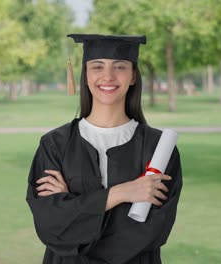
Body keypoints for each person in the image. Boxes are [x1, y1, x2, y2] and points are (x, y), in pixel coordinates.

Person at [26, 34, 183, 264]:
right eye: (97, 66)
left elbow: (152, 231)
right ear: (86, 75)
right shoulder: (54, 145)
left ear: (132, 76)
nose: (107, 76)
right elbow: (50, 226)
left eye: (119, 66)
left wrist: (71, 208)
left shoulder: (158, 148)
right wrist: (121, 194)